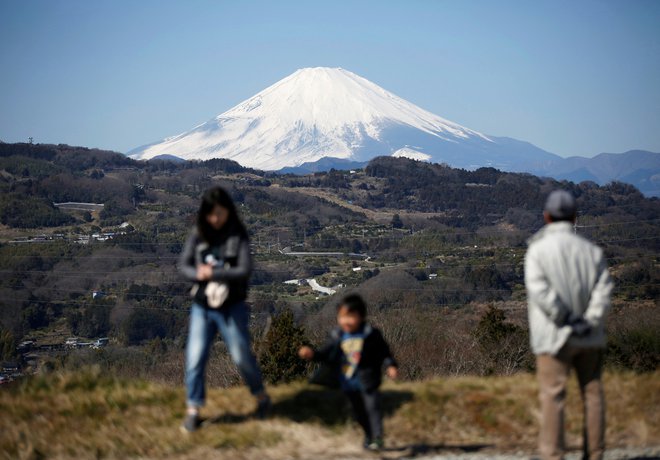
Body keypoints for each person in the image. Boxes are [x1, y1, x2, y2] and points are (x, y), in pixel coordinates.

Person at [525, 190, 614, 460]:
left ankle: (553, 455)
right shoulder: (592, 252)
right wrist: (589, 320)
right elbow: (604, 290)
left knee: (553, 397)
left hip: (554, 337)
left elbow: (540, 292)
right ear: (575, 217)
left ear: (546, 217)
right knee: (593, 394)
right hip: (589, 336)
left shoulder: (537, 251)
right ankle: (595, 454)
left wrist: (566, 318)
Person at [178, 186, 270, 432]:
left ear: (228, 211)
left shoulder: (237, 235)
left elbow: (244, 269)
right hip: (202, 306)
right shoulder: (198, 235)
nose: (215, 218)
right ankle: (193, 410)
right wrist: (198, 273)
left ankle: (261, 397)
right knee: (195, 357)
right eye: (211, 213)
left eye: (220, 212)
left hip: (232, 306)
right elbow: (183, 265)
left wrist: (213, 272)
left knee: (241, 355)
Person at [298, 293, 398, 451]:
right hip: (348, 382)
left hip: (368, 378)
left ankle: (378, 438)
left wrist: (390, 365)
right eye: (342, 316)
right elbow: (325, 353)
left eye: (350, 316)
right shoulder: (337, 335)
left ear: (361, 316)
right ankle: (369, 435)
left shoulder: (371, 334)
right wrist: (312, 354)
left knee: (372, 407)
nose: (346, 321)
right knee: (358, 412)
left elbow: (383, 352)